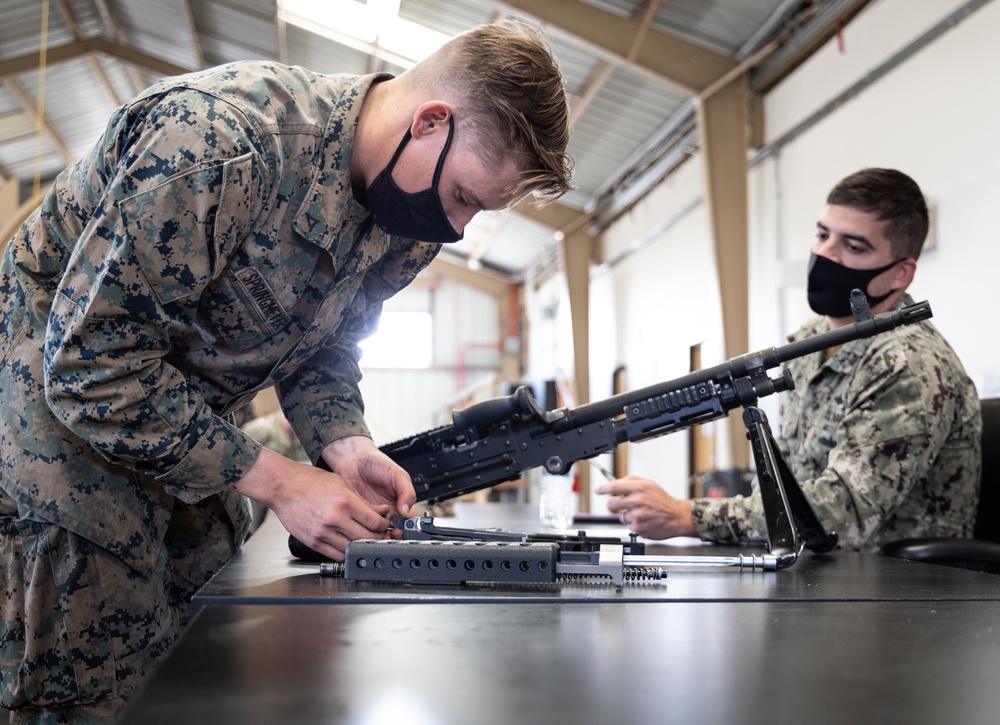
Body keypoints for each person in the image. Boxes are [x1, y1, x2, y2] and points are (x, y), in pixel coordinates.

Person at [0, 20, 573, 723]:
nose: (455, 228)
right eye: (462, 197)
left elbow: (323, 344)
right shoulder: (217, 144)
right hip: (55, 444)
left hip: (186, 437)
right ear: (430, 121)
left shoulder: (405, 215)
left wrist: (346, 445)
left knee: (203, 663)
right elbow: (91, 363)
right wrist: (282, 480)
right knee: (88, 691)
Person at [598, 168, 981, 551]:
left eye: (854, 246)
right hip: (818, 573)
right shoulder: (811, 343)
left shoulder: (908, 363)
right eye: (822, 234)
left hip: (901, 589)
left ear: (900, 273)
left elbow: (840, 513)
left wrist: (685, 516)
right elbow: (784, 480)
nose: (825, 253)